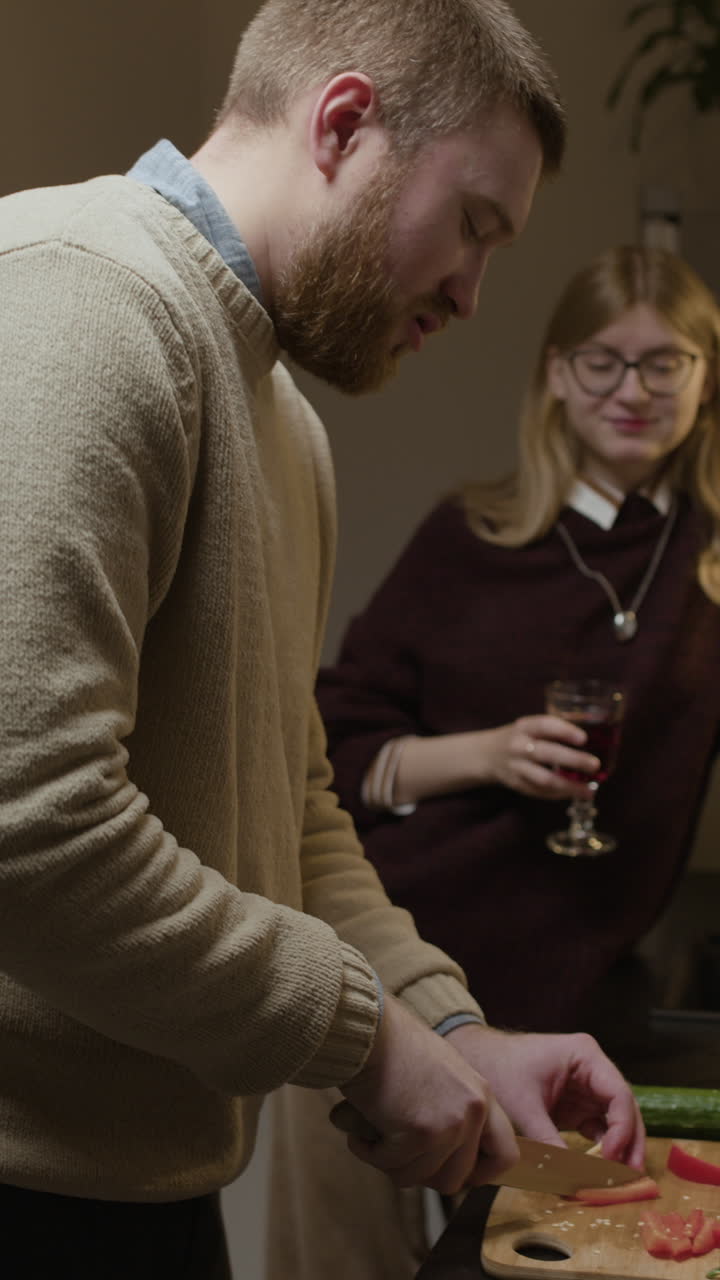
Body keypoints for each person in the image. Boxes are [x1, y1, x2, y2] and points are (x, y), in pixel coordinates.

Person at [0, 2, 644, 1276]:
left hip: (151, 1192)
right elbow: (27, 808)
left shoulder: (286, 424)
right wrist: (364, 1037)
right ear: (344, 124)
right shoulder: (86, 300)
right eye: (473, 226)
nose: (473, 291)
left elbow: (293, 813)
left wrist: (451, 1027)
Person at [269, 243, 720, 1277]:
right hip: (378, 968)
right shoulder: (469, 534)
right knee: (337, 1265)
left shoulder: (707, 568)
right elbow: (326, 748)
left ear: (707, 376)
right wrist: (489, 754)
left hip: (567, 1006)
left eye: (667, 363)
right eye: (603, 361)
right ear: (557, 374)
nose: (633, 390)